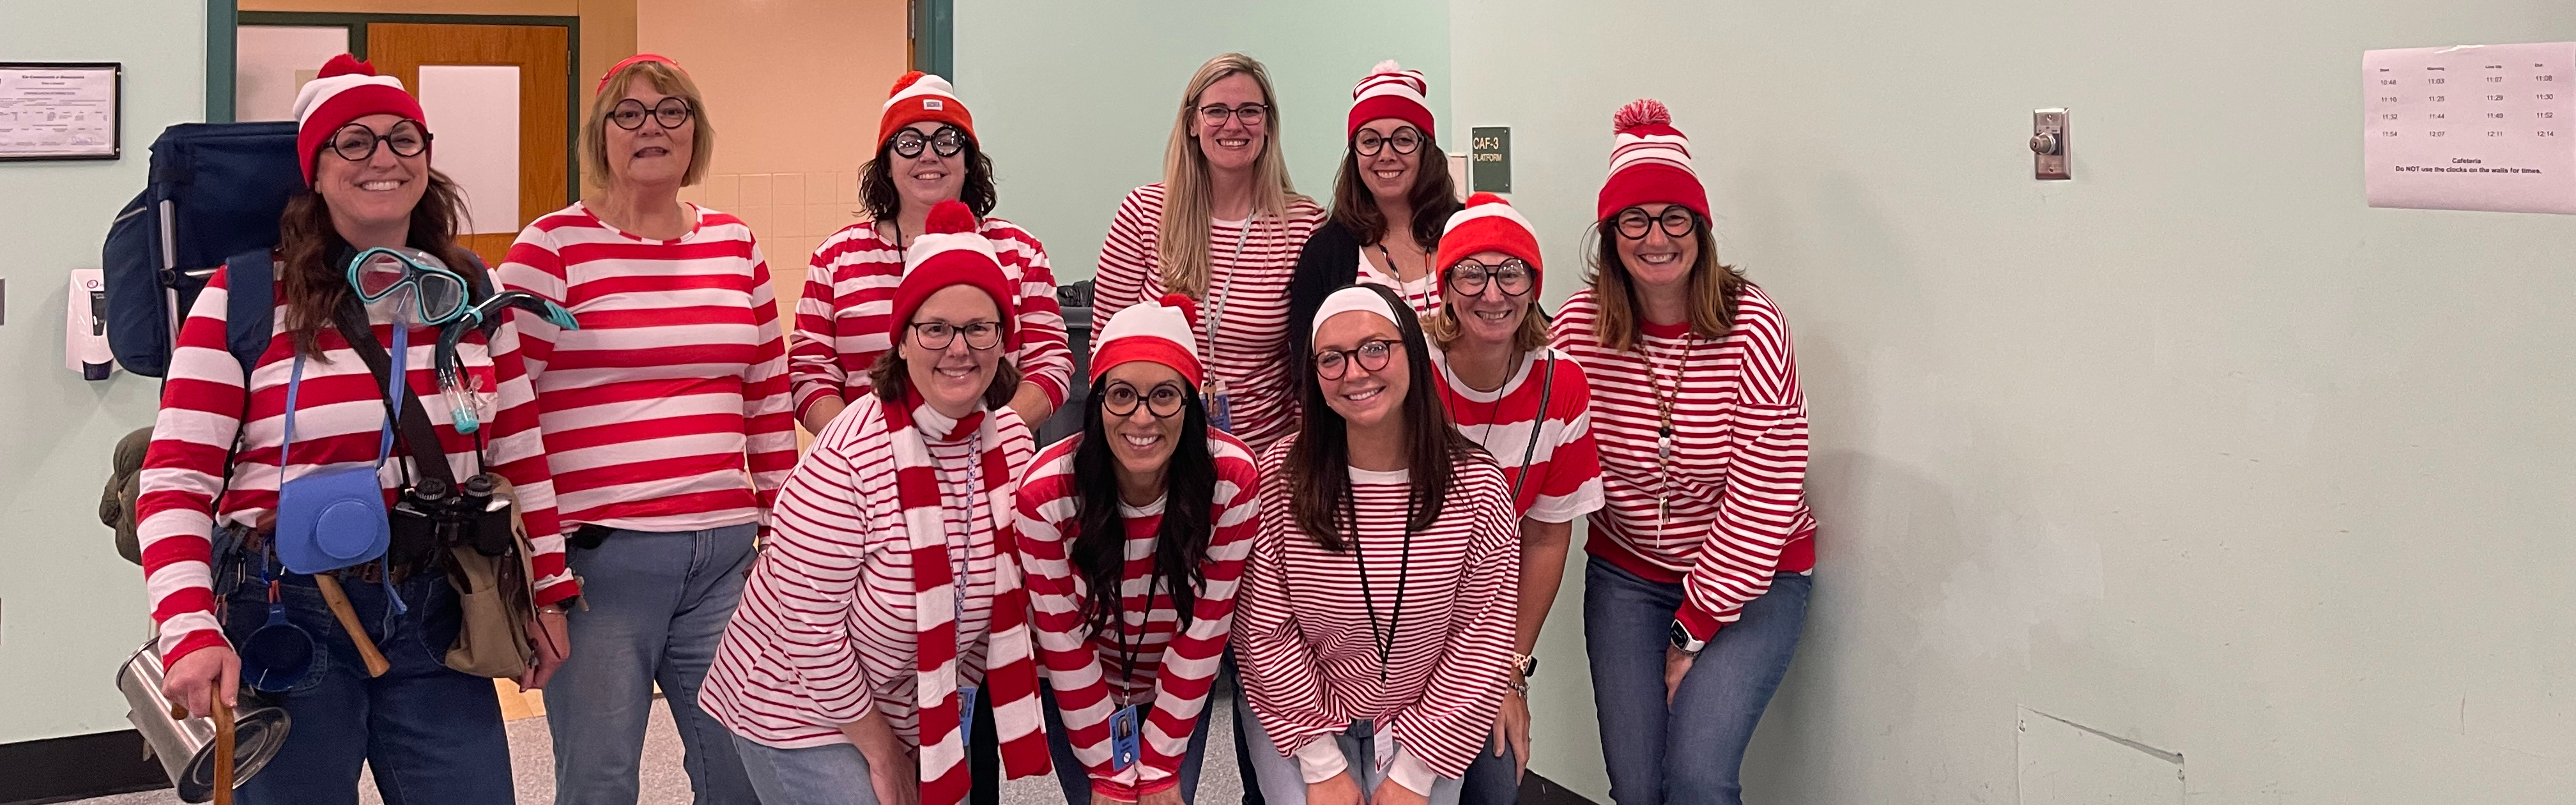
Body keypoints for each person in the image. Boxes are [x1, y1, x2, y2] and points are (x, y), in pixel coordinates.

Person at [138, 54, 576, 803]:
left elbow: (518, 452)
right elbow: (177, 476)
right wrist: (188, 624)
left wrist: (550, 592)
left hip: (441, 605)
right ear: (316, 168)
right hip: (285, 609)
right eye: (354, 141)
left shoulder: (472, 289)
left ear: (427, 158)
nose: (383, 158)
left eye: (404, 138)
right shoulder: (246, 296)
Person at [496, 53, 790, 805]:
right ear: (601, 135)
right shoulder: (550, 250)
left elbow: (766, 399)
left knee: (746, 776)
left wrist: (783, 543)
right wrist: (542, 572)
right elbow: (504, 417)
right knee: (600, 782)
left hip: (726, 561)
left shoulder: (735, 244)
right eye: (628, 114)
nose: (650, 127)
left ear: (696, 131)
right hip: (601, 568)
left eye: (670, 111)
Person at [701, 200, 1054, 805]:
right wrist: (884, 751)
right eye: (935, 328)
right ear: (904, 340)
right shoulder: (851, 455)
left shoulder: (1012, 445)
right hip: (796, 703)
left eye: (979, 328)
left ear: (1003, 340)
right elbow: (809, 629)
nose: (959, 349)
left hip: (912, 706)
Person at [1551, 100, 1817, 805]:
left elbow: (1766, 494)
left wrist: (1691, 629)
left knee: (1698, 779)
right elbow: (1532, 433)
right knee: (1637, 788)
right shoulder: (1578, 328)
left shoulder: (1753, 323)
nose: (1657, 238)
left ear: (1701, 230)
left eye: (1675, 218)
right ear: (1611, 235)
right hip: (1627, 575)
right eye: (1635, 221)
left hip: (1754, 579)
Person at [1237, 284, 1521, 805]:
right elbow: (1264, 633)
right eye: (1332, 359)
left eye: (1375, 349)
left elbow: (1479, 641)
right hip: (1297, 718)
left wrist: (1414, 774)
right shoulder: (1279, 477)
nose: (1354, 372)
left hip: (1427, 718)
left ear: (1412, 353)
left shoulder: (1477, 486)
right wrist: (1322, 765)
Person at [1016, 295, 1262, 805]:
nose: (1143, 417)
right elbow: (1064, 642)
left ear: (1190, 404)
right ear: (1097, 402)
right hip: (1077, 685)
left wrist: (1159, 765)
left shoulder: (1232, 481)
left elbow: (1205, 632)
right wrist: (1109, 774)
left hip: (1178, 682)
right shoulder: (1046, 494)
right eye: (1123, 395)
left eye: (1165, 396)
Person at [1422, 194, 1605, 804]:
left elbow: (1547, 536)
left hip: (1483, 630)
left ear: (1533, 287)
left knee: (1497, 784)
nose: (1492, 293)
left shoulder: (1561, 384)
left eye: (1511, 273)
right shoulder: (1410, 371)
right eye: (1472, 273)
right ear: (1446, 288)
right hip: (1391, 619)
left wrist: (1511, 671)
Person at [792, 72, 1072, 433]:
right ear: (886, 163)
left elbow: (1050, 364)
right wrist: (861, 450)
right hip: (862, 461)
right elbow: (810, 373)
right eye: (909, 143)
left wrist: (994, 440)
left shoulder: (1021, 252)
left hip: (993, 456)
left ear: (968, 160)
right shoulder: (835, 259)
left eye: (947, 141)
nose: (928, 155)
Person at [1093, 52, 1325, 456]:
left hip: (1266, 455)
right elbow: (1104, 349)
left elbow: (1312, 362)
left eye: (1249, 111)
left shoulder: (1304, 224)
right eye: (1217, 111)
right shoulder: (1144, 213)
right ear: (1192, 124)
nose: (1233, 125)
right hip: (1157, 452)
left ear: (1268, 124)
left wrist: (1303, 457)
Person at [1289, 60, 1460, 365]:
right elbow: (1308, 369)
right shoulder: (1326, 253)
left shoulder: (1466, 230)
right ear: (1354, 154)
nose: (1386, 154)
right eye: (1370, 141)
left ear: (1427, 150)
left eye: (1404, 139)